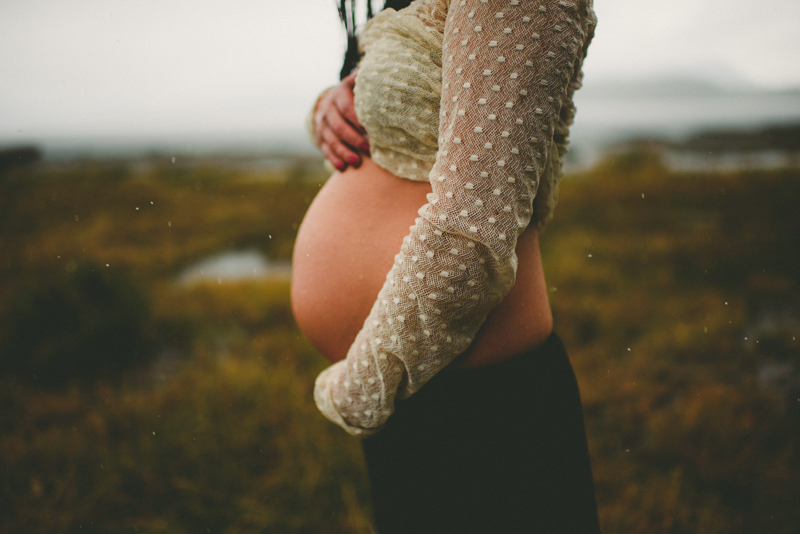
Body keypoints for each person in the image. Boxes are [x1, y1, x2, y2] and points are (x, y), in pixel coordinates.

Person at [292, 0, 599, 531]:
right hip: (412, 389)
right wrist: (327, 106)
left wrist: (361, 386)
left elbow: (473, 227)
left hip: (482, 408)